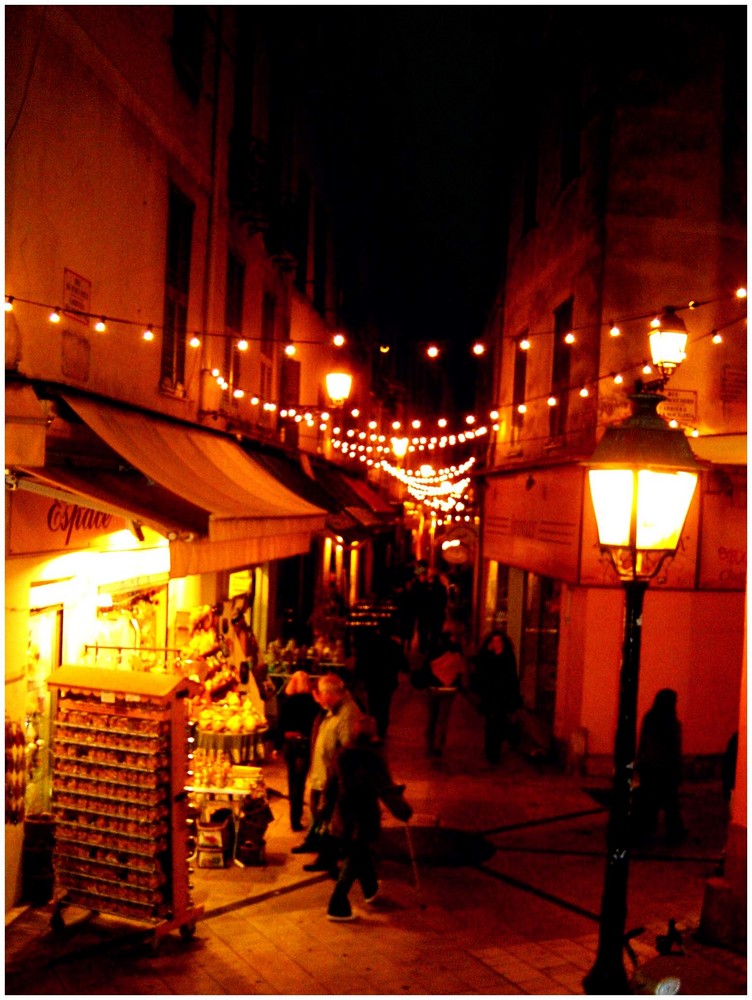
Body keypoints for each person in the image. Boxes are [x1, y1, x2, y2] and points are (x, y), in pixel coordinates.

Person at [320, 714, 413, 921]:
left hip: (343, 814)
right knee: (356, 856)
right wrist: (402, 810)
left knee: (360, 853)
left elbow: (331, 785)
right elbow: (385, 788)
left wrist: (325, 812)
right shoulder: (373, 757)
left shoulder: (342, 754)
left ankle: (370, 890)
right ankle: (337, 905)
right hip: (363, 814)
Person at [291, 672, 362, 875]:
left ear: (331, 694)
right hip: (321, 775)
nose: (318, 698)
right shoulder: (332, 710)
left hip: (330, 779)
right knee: (318, 813)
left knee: (328, 819)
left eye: (321, 694)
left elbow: (347, 751)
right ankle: (315, 843)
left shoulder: (347, 714)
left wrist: (335, 781)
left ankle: (327, 858)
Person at [635, 688, 687, 844]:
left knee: (652, 803)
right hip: (664, 769)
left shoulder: (651, 719)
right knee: (669, 803)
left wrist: (641, 762)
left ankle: (648, 832)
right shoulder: (671, 722)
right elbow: (673, 749)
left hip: (651, 768)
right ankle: (673, 833)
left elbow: (644, 744)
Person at [274, 671, 322, 832]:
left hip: (290, 745)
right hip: (306, 745)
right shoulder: (313, 704)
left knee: (292, 779)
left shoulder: (286, 703)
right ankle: (299, 814)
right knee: (301, 781)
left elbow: (280, 726)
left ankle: (294, 817)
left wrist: (277, 747)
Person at [470, 630, 522, 765]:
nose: (496, 643)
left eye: (499, 641)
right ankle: (490, 750)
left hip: (503, 695)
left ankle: (495, 751)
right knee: (490, 722)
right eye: (494, 641)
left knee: (499, 722)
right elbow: (479, 670)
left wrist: (514, 697)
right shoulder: (487, 656)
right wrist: (486, 652)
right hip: (490, 695)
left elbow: (512, 677)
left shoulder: (508, 656)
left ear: (503, 642)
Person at [354, 623, 406, 741]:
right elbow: (403, 664)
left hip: (372, 680)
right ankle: (381, 730)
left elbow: (361, 661)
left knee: (373, 705)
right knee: (385, 706)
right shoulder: (394, 646)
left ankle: (374, 730)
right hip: (387, 681)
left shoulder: (369, 645)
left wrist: (358, 677)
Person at [424, 631, 467, 757]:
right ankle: (438, 744)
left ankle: (430, 743)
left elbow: (426, 668)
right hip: (449, 690)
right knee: (442, 718)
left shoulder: (433, 651)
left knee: (432, 717)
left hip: (433, 688)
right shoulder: (457, 653)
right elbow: (461, 671)